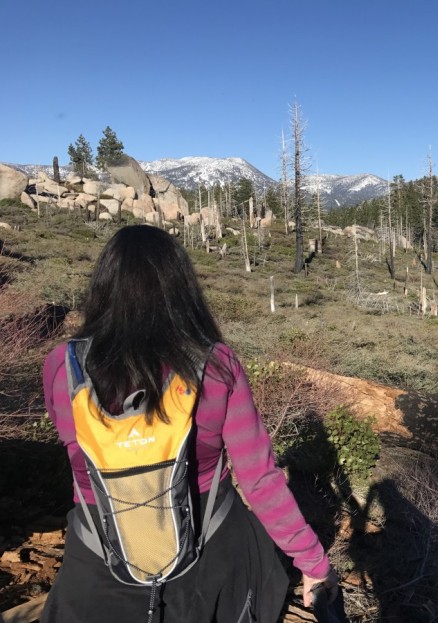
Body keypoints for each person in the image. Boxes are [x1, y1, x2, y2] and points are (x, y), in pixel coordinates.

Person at [41, 225, 338, 622]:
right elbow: (259, 479)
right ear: (182, 288)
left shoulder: (62, 365)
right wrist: (313, 563)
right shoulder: (215, 363)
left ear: (103, 287)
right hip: (208, 553)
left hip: (97, 553)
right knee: (259, 553)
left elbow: (73, 450)